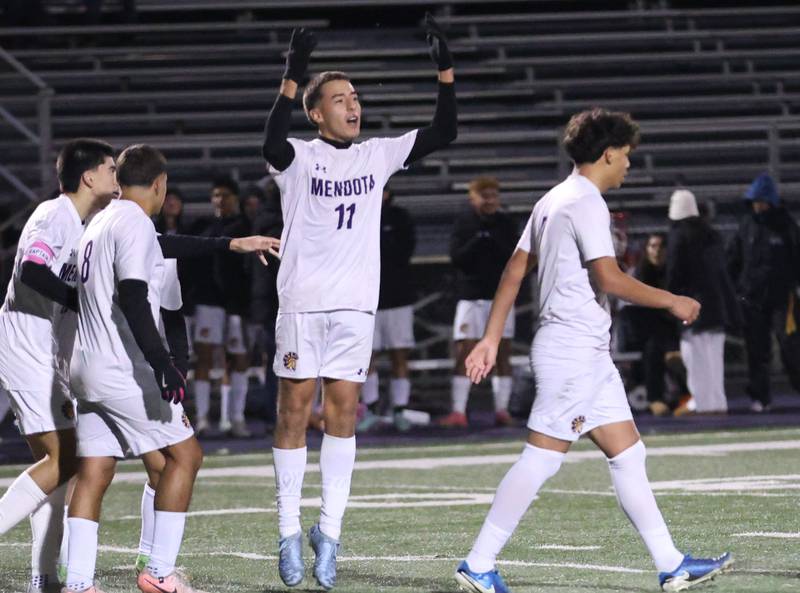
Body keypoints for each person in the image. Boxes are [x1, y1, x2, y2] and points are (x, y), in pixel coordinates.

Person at [455, 108, 731, 593]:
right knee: (541, 458)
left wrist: (492, 336)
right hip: (572, 350)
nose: (629, 164)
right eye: (626, 155)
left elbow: (514, 271)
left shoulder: (553, 198)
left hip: (584, 351)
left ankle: (671, 564)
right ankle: (478, 563)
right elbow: (609, 278)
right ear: (607, 154)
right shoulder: (586, 202)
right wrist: (672, 300)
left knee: (629, 454)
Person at [261, 14, 457, 589]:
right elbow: (270, 142)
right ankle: (287, 530)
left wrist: (445, 72)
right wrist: (293, 72)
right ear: (316, 113)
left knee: (343, 415)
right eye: (340, 99)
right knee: (294, 414)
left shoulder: (376, 154)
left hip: (354, 307)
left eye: (356, 97)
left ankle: (330, 532)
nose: (353, 106)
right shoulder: (298, 157)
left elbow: (444, 132)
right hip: (302, 302)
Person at [65, 144, 202, 593]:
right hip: (120, 368)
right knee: (185, 456)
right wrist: (163, 363)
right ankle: (159, 573)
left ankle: (78, 583)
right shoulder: (136, 222)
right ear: (160, 184)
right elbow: (133, 296)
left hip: (84, 367)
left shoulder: (97, 220)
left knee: (94, 472)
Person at [0, 138, 118, 593]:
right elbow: (32, 271)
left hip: (46, 351)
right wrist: (80, 300)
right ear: (88, 177)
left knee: (58, 468)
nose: (116, 176)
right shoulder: (54, 215)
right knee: (66, 459)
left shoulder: (87, 223)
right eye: (110, 169)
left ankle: (43, 578)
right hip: (25, 344)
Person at [441, 176, 518, 428]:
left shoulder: (506, 223)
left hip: (500, 298)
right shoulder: (464, 223)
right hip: (471, 296)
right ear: (472, 198)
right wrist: (478, 239)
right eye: (484, 196)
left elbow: (513, 258)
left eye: (494, 195)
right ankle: (458, 411)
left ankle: (502, 410)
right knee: (465, 351)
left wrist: (490, 239)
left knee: (503, 352)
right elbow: (457, 257)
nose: (490, 201)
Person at [727, 173, 800, 412]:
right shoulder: (746, 225)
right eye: (755, 201)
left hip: (783, 299)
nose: (757, 205)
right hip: (752, 299)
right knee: (757, 350)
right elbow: (734, 259)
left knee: (790, 346)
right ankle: (760, 397)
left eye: (761, 201)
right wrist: (735, 288)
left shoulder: (786, 225)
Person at [666, 189, 740, 414]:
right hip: (717, 305)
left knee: (694, 357)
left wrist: (671, 299)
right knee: (714, 359)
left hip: (692, 305)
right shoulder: (712, 234)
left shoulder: (679, 236)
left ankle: (703, 404)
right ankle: (718, 403)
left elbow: (675, 273)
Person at [190, 176, 253, 437]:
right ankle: (203, 418)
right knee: (204, 358)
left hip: (237, 303)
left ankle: (236, 418)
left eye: (225, 195)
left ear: (235, 198)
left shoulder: (245, 226)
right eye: (216, 195)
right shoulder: (203, 226)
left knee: (238, 359)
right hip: (208, 301)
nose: (220, 199)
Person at [359, 187, 417, 432]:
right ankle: (370, 409)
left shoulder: (400, 217)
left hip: (398, 298)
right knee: (365, 357)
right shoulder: (358, 213)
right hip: (365, 299)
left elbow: (404, 252)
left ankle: (399, 410)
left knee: (399, 355)